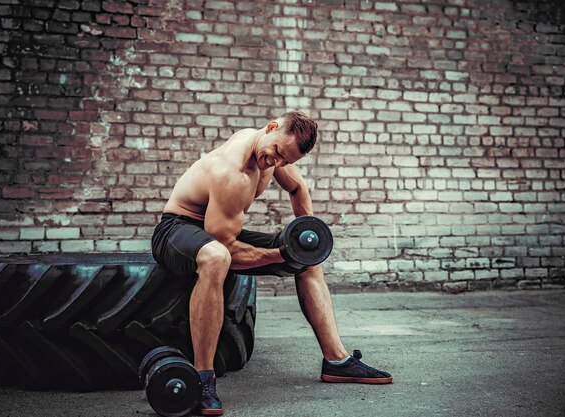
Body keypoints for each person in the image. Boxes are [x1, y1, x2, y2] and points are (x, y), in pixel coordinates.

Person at [151, 111, 392, 416]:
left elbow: (297, 188)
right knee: (216, 257)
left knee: (308, 262)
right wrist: (281, 254)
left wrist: (307, 233)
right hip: (176, 230)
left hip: (216, 230)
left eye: (286, 161)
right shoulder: (232, 171)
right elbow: (224, 245)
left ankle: (337, 361)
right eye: (277, 152)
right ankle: (202, 379)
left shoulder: (272, 153)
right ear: (271, 128)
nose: (277, 163)